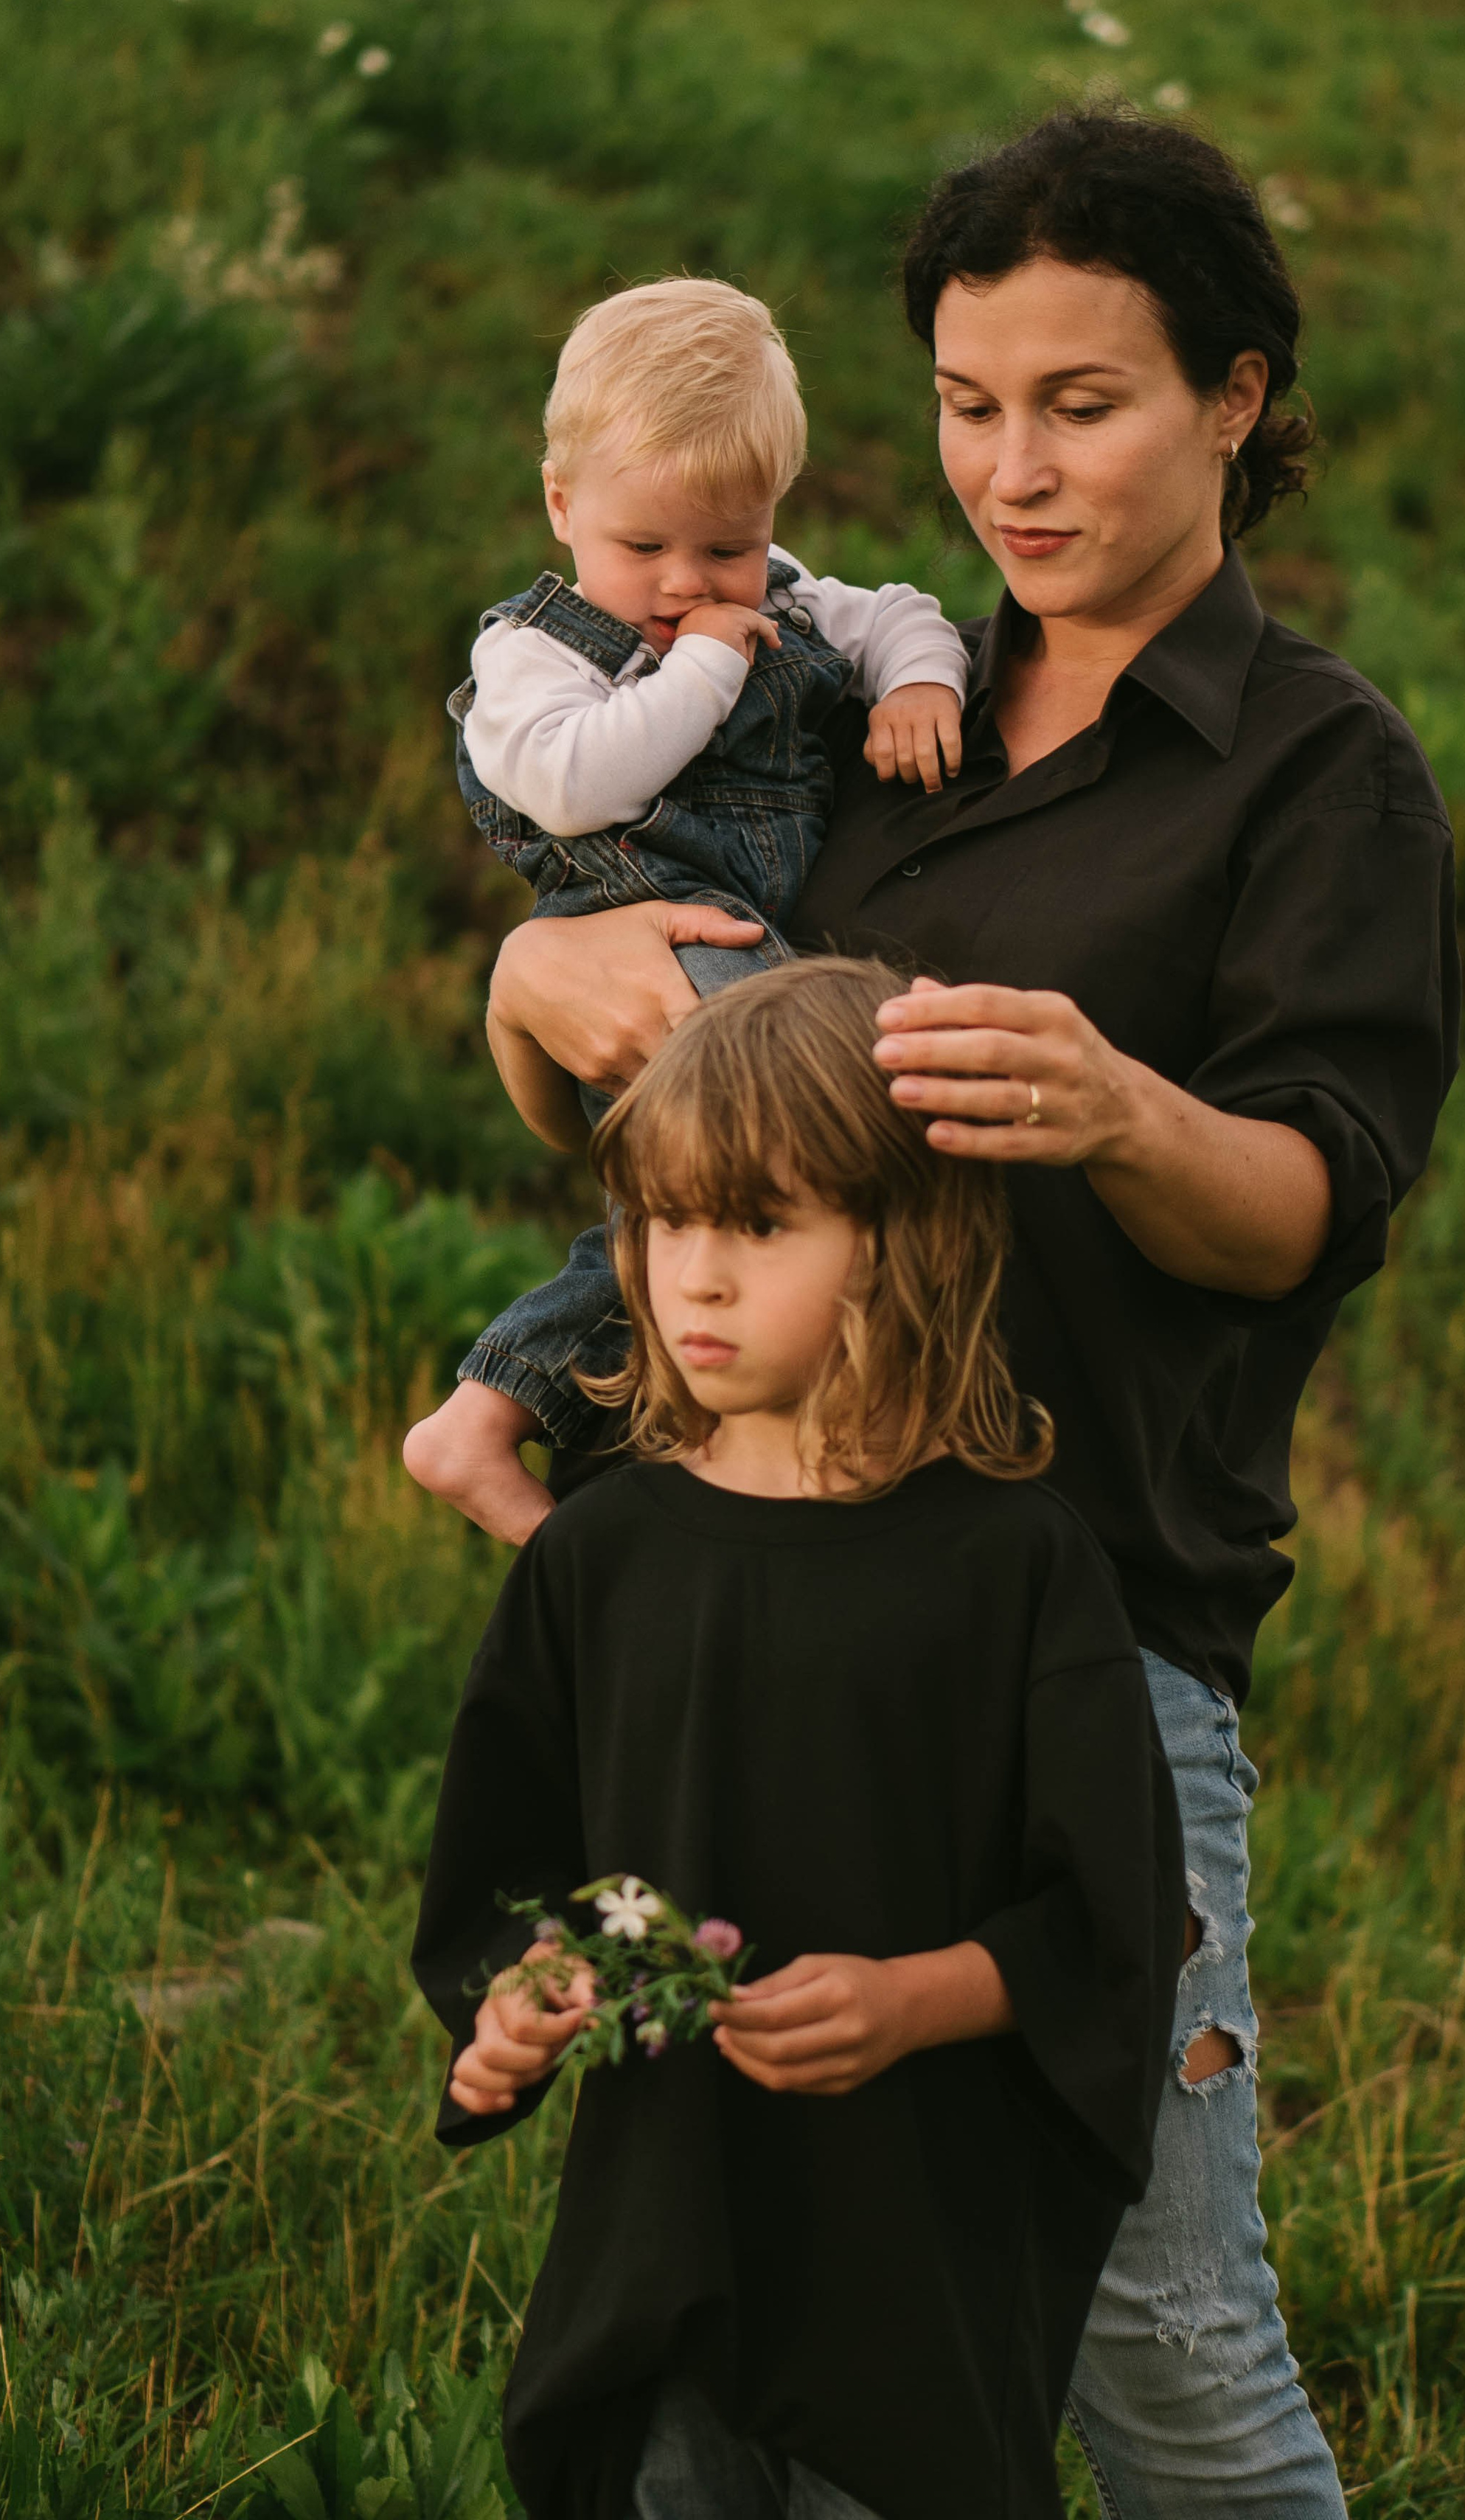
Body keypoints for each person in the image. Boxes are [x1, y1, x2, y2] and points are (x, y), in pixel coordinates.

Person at [474, 111, 1462, 2515]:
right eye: (966, 400)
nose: (1013, 466)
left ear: (1234, 398)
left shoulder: (1317, 773)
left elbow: (1310, 1204)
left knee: (1157, 2345)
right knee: (746, 2337)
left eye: (1085, 403)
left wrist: (1123, 1110)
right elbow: (672, 1130)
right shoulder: (838, 698)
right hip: (740, 1610)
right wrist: (534, 980)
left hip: (1089, 1630)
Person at [412, 957, 1185, 2520]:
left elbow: (1114, 1918)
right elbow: (513, 1873)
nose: (691, 1277)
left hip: (909, 2257)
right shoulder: (602, 1553)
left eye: (758, 1227)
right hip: (664, 2229)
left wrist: (915, 1999)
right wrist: (518, 2007)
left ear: (908, 1243)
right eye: (665, 1221)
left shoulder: (1013, 1568)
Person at [403, 278, 970, 1544]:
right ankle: (509, 1418)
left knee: (707, 1216)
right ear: (562, 506)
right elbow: (574, 781)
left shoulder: (780, 592)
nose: (684, 582)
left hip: (750, 961)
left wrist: (919, 687)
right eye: (643, 548)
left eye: (727, 547)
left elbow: (901, 618)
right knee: (758, 1190)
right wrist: (712, 657)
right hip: (654, 948)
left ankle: (530, 1417)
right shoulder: (533, 657)